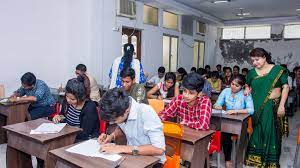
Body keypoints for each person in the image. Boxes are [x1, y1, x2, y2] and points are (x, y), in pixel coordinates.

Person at [244, 48, 289, 167]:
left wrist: (282, 105)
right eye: (252, 60)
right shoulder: (251, 73)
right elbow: (247, 85)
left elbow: (285, 87)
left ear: (264, 57)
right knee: (258, 132)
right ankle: (256, 160)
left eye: (257, 59)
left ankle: (270, 162)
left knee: (271, 133)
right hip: (257, 108)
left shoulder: (278, 70)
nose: (254, 63)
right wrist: (247, 90)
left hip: (272, 107)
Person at [98, 88, 166, 167]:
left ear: (126, 111)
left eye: (114, 120)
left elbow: (159, 150)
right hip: (133, 156)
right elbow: (122, 127)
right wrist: (111, 136)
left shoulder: (146, 112)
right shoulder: (122, 108)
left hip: (153, 162)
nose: (112, 123)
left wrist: (121, 148)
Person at [213, 74, 254, 168]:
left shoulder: (245, 94)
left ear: (242, 86)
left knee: (225, 133)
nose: (233, 87)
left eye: (237, 85)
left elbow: (251, 110)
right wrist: (217, 106)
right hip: (227, 120)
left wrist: (235, 111)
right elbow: (217, 104)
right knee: (220, 131)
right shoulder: (226, 91)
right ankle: (213, 155)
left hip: (240, 122)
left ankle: (227, 159)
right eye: (232, 84)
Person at [52, 76, 99, 142]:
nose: (68, 100)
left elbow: (84, 134)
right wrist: (59, 117)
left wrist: (65, 133)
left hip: (83, 139)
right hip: (68, 134)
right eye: (67, 96)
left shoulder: (90, 107)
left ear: (82, 97)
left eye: (72, 99)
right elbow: (64, 115)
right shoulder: (67, 101)